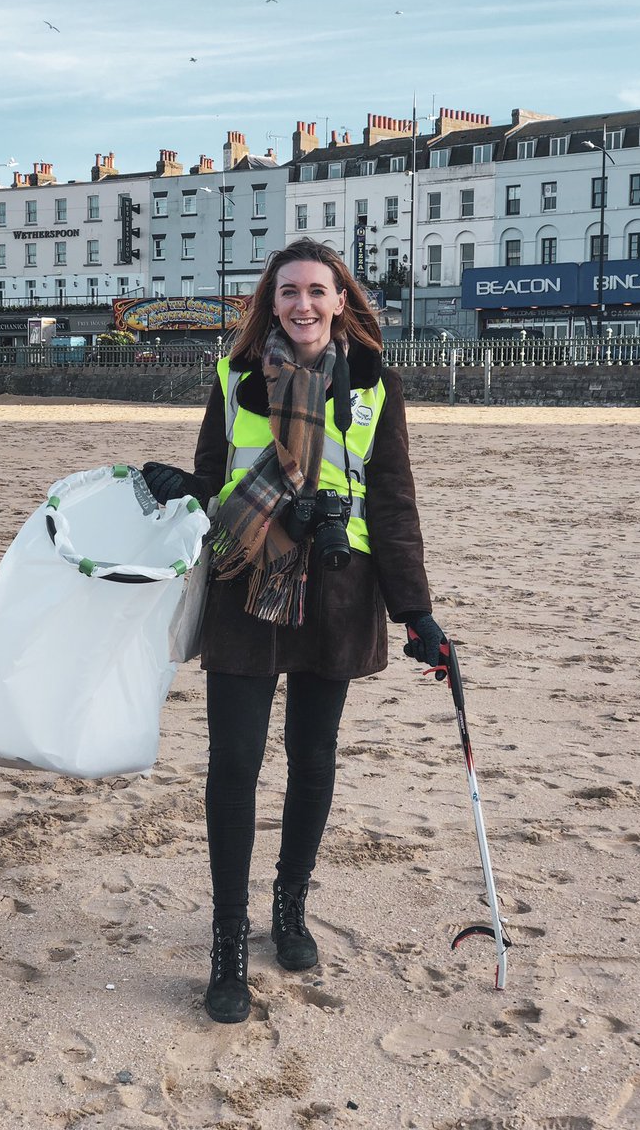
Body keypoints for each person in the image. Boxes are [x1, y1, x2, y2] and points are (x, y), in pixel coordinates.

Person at [142, 238, 446, 1024]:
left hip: (341, 590)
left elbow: (394, 501)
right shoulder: (236, 377)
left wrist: (416, 611)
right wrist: (184, 487)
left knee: (313, 758)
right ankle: (228, 947)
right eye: (288, 293)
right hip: (246, 581)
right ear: (268, 303)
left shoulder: (377, 385)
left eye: (318, 291)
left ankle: (289, 911)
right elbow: (213, 476)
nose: (303, 305)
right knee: (233, 766)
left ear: (342, 299)